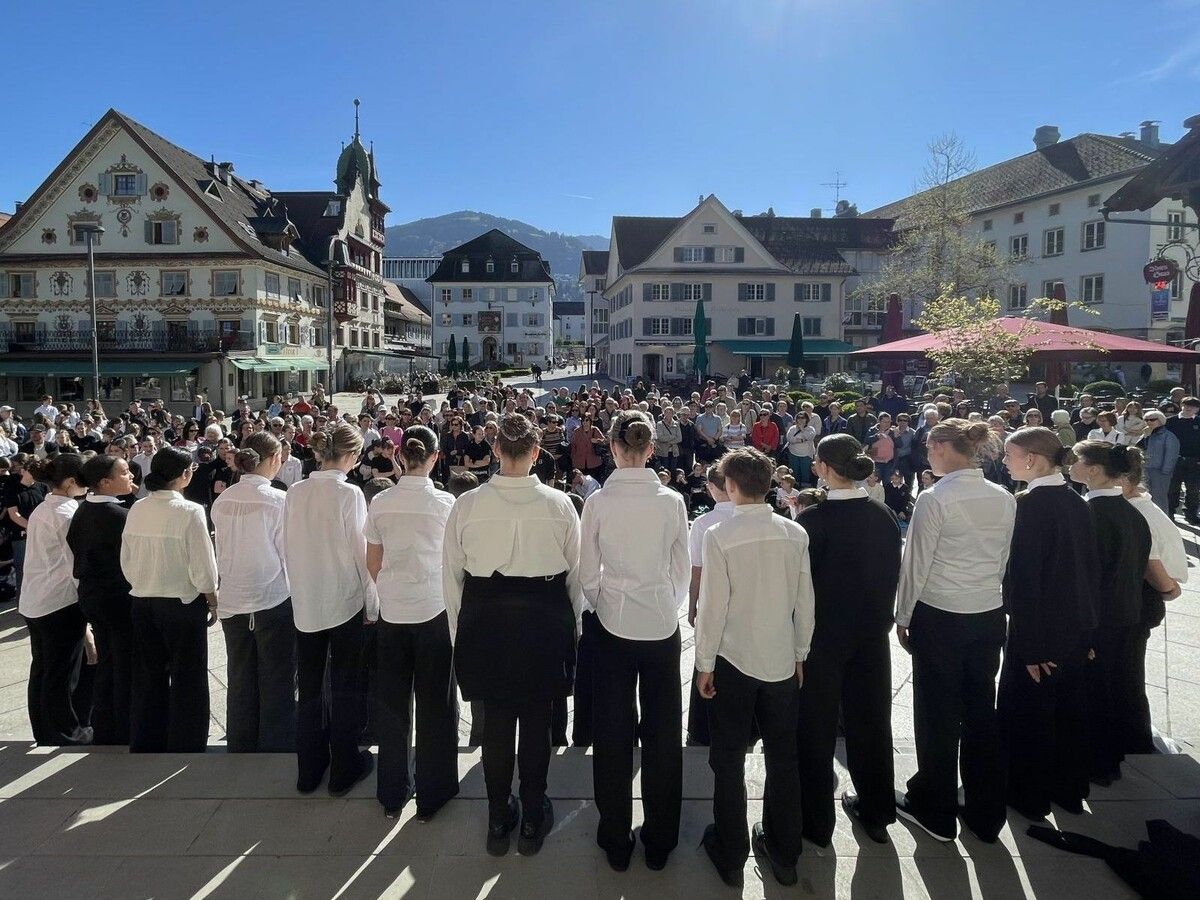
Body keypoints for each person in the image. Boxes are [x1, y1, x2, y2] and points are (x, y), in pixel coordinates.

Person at [443, 413, 582, 857]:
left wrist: (458, 634)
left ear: (496, 450)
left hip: (486, 617)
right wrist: (571, 632)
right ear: (537, 453)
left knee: (498, 720)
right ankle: (532, 815)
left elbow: (451, 580)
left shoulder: (466, 505)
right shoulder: (561, 505)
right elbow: (575, 580)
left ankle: (500, 815)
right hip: (543, 617)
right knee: (538, 720)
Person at [693, 448, 813, 887]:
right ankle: (785, 851)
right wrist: (800, 652)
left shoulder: (719, 534)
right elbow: (806, 603)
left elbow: (712, 608)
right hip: (781, 659)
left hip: (734, 660)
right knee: (784, 756)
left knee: (727, 757)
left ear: (730, 486)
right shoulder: (794, 532)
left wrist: (704, 664)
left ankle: (730, 851)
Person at [894, 419, 1015, 843]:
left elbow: (916, 564)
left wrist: (903, 616)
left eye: (929, 446)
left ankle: (935, 807)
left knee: (937, 714)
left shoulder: (935, 498)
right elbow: (1001, 561)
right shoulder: (1003, 496)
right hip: (986, 614)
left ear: (945, 447)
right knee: (981, 710)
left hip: (942, 614)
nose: (926, 453)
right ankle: (986, 814)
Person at [579, 411, 690, 872]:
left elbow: (587, 572)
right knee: (664, 732)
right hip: (660, 622)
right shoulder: (672, 502)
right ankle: (660, 839)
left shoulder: (599, 503)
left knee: (612, 730)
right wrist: (666, 603)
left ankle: (615, 836)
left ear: (614, 446)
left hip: (612, 622)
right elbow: (681, 570)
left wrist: (605, 601)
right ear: (650, 449)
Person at [794, 435, 901, 846]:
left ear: (820, 467)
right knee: (871, 723)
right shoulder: (883, 513)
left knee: (816, 728)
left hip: (823, 640)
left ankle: (816, 824)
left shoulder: (812, 522)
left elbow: (800, 594)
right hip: (872, 635)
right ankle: (877, 812)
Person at [998, 428, 1099, 819]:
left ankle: (1030, 797)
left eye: (1010, 454)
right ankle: (1068, 791)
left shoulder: (1029, 505)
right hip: (1075, 628)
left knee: (1031, 717)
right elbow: (1092, 574)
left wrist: (1031, 647)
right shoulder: (1077, 502)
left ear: (1033, 459)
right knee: (1069, 714)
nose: (1004, 461)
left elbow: (1024, 582)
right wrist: (1090, 632)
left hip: (1039, 631)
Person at [364, 425, 460, 821]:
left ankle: (392, 792)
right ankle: (433, 794)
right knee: (437, 705)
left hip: (393, 612)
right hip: (434, 611)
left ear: (400, 456)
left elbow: (373, 562)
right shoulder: (446, 504)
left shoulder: (382, 502)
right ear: (435, 457)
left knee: (391, 705)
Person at [284, 423, 377, 794]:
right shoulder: (349, 493)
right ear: (352, 456)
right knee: (346, 685)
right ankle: (343, 766)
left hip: (307, 598)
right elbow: (361, 551)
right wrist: (372, 602)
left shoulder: (295, 491)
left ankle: (309, 769)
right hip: (343, 599)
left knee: (308, 687)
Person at [120, 447, 219, 753]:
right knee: (188, 675)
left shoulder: (137, 509)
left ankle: (147, 738)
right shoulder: (190, 511)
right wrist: (212, 597)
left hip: (143, 599)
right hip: (181, 602)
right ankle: (186, 741)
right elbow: (203, 563)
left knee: (148, 676)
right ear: (184, 475)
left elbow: (126, 559)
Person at [1069, 441, 1152, 786]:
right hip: (1125, 618)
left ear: (1092, 470)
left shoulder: (1090, 514)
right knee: (1114, 689)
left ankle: (1095, 764)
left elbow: (1088, 580)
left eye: (1076, 460)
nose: (1069, 465)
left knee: (1092, 695)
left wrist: (1084, 633)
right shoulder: (1132, 512)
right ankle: (1109, 760)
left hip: (1098, 622)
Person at [211, 432, 296, 753]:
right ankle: (276, 743)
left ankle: (242, 740)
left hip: (233, 596)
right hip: (271, 596)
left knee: (240, 673)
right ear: (273, 459)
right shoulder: (277, 499)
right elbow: (288, 553)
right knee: (277, 676)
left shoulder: (224, 498)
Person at [1118, 448, 1185, 757]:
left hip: (1140, 598)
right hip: (1138, 597)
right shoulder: (1137, 505)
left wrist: (1168, 589)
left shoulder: (1138, 512)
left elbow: (1151, 561)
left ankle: (1134, 738)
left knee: (1128, 673)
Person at [21, 454, 91, 746]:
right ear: (72, 482)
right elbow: (74, 563)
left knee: (43, 669)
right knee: (61, 672)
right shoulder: (67, 513)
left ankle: (44, 729)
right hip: (59, 601)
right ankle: (65, 731)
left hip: (35, 599)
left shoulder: (43, 508)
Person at [67, 454, 136, 745]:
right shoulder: (118, 516)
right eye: (124, 472)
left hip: (93, 598)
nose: (131, 475)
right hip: (116, 599)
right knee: (124, 665)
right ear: (105, 482)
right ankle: (121, 728)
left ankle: (105, 725)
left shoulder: (82, 511)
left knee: (109, 662)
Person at [4, 453, 48, 600]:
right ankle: (22, 602)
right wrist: (32, 527)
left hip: (42, 534)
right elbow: (13, 513)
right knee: (23, 569)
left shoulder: (42, 487)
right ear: (23, 471)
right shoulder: (12, 487)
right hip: (22, 535)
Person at [1166, 396, 1200, 523]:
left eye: (1192, 406)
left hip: (1194, 461)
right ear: (1181, 406)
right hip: (1175, 460)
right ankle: (1170, 513)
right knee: (1173, 488)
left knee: (1193, 489)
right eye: (1186, 405)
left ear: (1197, 409)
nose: (1188, 408)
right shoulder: (1170, 421)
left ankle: (1191, 514)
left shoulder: (1198, 422)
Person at [1142, 410, 1180, 516]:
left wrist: (1166, 471)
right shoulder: (1146, 434)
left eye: (1152, 419)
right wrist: (1146, 436)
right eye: (1146, 420)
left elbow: (1171, 455)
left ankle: (1163, 520)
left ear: (1160, 420)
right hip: (1146, 469)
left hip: (1160, 471)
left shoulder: (1168, 436)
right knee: (1146, 497)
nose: (1149, 422)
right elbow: (1139, 448)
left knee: (1159, 498)